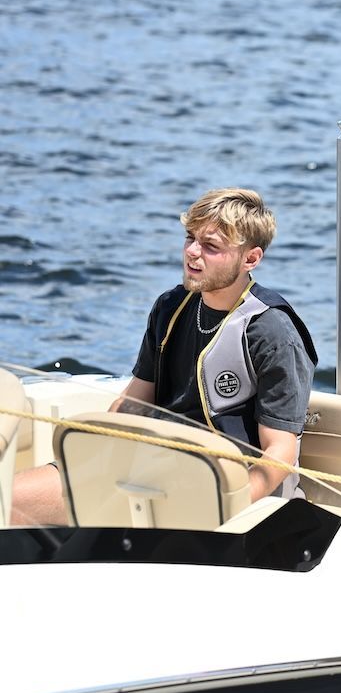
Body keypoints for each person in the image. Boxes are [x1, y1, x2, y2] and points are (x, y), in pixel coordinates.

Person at [11, 188, 318, 525]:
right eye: (190, 238)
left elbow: (280, 450)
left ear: (250, 258)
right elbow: (134, 402)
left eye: (210, 246)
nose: (192, 252)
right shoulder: (171, 307)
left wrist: (230, 503)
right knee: (8, 498)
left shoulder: (272, 333)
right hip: (150, 466)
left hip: (222, 486)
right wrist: (90, 459)